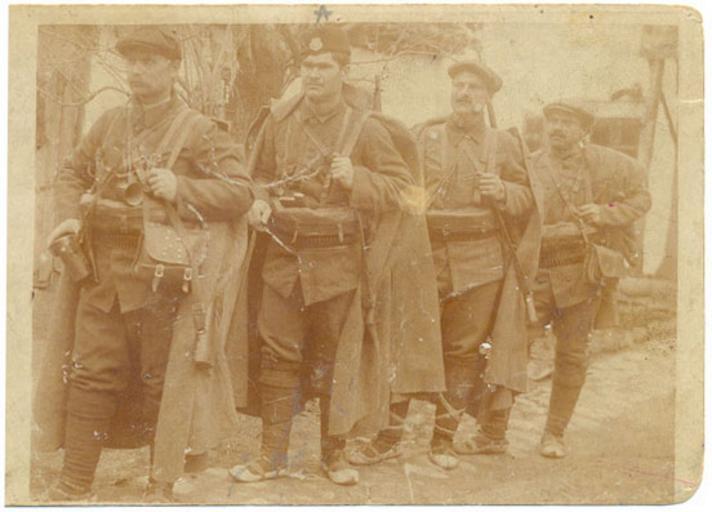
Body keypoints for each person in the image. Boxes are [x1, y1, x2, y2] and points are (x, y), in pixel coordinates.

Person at [39, 26, 253, 501]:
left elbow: (241, 192)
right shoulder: (109, 123)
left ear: (173, 68)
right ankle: (75, 482)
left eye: (148, 62)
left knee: (164, 380)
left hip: (162, 277)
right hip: (101, 272)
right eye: (132, 62)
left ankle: (161, 483)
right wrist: (69, 216)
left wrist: (182, 188)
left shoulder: (199, 130)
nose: (136, 71)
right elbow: (72, 172)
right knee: (90, 371)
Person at [228, 24, 438, 486]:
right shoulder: (280, 121)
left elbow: (408, 192)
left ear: (343, 71)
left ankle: (333, 455)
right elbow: (256, 176)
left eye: (324, 67)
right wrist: (258, 201)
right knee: (277, 354)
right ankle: (271, 457)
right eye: (307, 66)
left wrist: (357, 178)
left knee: (333, 357)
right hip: (284, 258)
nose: (314, 75)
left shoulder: (366, 127)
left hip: (339, 264)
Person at [349, 60, 540, 470]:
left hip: (481, 261)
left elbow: (528, 199)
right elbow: (400, 183)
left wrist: (503, 191)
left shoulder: (505, 144)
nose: (464, 93)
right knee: (407, 343)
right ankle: (389, 437)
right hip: (424, 255)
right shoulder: (423, 135)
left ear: (488, 97)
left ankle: (443, 441)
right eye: (459, 85)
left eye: (474, 87)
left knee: (463, 351)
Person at [531, 99, 651, 458]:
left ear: (584, 130)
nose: (557, 128)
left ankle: (554, 433)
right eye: (552, 120)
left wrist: (606, 211)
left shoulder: (607, 164)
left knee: (572, 354)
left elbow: (642, 198)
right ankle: (494, 431)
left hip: (581, 274)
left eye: (566, 122)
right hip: (535, 272)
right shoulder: (529, 163)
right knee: (512, 346)